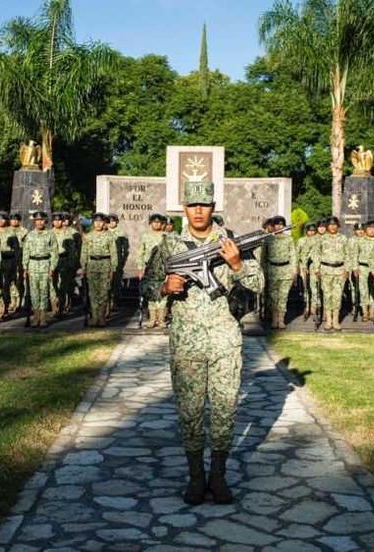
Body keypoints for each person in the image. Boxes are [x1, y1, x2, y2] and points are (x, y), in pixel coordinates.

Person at [142, 180, 263, 506]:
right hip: (186, 342)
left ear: (213, 207)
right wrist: (167, 286)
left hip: (225, 340)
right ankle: (196, 476)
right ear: (184, 208)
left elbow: (257, 284)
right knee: (190, 413)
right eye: (192, 205)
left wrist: (236, 264)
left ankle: (218, 476)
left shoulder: (231, 242)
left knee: (224, 410)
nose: (198, 211)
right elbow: (147, 287)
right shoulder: (169, 246)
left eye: (204, 205)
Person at [80, 213, 118, 327]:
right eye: (96, 221)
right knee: (92, 292)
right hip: (92, 265)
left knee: (103, 292)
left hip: (105, 264)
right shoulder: (88, 236)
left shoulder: (109, 236)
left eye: (101, 222)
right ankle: (94, 317)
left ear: (104, 223)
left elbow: (113, 253)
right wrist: (84, 266)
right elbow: (84, 252)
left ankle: (101, 317)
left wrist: (113, 268)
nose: (98, 224)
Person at [23, 211, 59, 327]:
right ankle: (36, 317)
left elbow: (54, 252)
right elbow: (26, 251)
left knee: (44, 292)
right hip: (32, 265)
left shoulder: (50, 234)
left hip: (45, 264)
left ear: (45, 221)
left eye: (41, 220)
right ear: (34, 222)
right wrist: (25, 267)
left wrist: (52, 267)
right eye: (37, 220)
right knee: (34, 293)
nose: (39, 222)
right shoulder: (30, 235)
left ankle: (43, 318)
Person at [311, 216, 348, 331]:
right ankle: (328, 320)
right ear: (327, 226)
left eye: (335, 225)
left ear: (338, 226)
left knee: (337, 296)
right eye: (330, 225)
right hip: (325, 269)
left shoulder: (343, 238)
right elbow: (316, 254)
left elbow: (348, 255)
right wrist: (317, 269)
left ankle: (336, 320)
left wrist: (347, 269)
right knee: (327, 295)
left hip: (339, 270)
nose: (332, 227)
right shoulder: (321, 239)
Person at [263, 215, 297, 329]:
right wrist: (264, 271)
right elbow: (263, 257)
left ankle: (281, 320)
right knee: (273, 296)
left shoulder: (289, 239)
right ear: (273, 226)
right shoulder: (268, 239)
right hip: (272, 269)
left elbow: (293, 255)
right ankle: (274, 319)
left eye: (281, 224)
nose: (279, 226)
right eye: (276, 224)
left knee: (283, 296)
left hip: (285, 269)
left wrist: (294, 270)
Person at [137, 214, 168, 328]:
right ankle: (152, 319)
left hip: (162, 268)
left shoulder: (166, 236)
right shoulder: (145, 236)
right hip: (149, 268)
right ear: (150, 223)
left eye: (158, 222)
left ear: (161, 224)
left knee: (163, 293)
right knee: (150, 293)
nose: (156, 224)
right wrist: (140, 268)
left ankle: (161, 319)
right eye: (154, 222)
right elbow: (140, 252)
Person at [353, 221, 374, 322]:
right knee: (363, 290)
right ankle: (365, 312)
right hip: (362, 267)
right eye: (369, 228)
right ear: (366, 230)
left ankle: (372, 312)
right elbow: (355, 254)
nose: (372, 230)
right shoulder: (360, 241)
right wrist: (355, 267)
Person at [0, 211, 18, 319]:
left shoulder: (11, 232)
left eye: (3, 219)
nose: (1, 221)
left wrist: (15, 264)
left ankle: (6, 308)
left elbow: (16, 249)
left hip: (8, 262)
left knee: (6, 286)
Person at [51, 212, 76, 315]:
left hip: (64, 261)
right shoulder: (49, 233)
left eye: (59, 220)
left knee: (62, 285)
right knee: (52, 285)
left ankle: (61, 306)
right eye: (55, 220)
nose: (57, 222)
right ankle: (54, 306)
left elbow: (72, 250)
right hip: (52, 261)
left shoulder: (68, 233)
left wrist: (71, 264)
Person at [297, 222, 319, 320]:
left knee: (314, 287)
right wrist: (299, 266)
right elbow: (297, 254)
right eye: (309, 231)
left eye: (313, 231)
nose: (311, 233)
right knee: (305, 287)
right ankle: (306, 307)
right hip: (304, 267)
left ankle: (314, 308)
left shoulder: (319, 240)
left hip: (315, 267)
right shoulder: (301, 241)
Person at [108, 213, 128, 311]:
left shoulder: (121, 233)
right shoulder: (104, 231)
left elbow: (126, 248)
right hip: (106, 261)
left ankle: (114, 302)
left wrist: (122, 261)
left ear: (117, 222)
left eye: (113, 221)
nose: (111, 223)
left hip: (117, 261)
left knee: (116, 282)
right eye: (110, 221)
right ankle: (106, 303)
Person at [9, 213, 28, 311]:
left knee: (19, 280)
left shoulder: (24, 231)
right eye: (12, 219)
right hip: (10, 259)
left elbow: (26, 246)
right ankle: (13, 301)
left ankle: (20, 301)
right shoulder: (7, 231)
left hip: (20, 258)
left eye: (16, 220)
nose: (14, 221)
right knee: (11, 281)